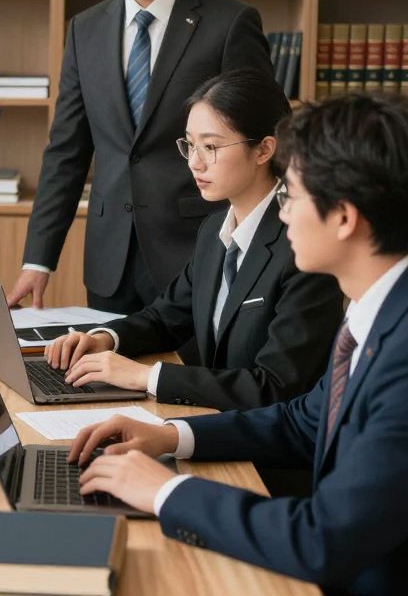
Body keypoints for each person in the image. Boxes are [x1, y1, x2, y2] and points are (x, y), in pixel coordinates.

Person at [69, 94, 408, 595]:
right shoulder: (373, 311)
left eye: (291, 195)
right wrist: (172, 437)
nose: (283, 213)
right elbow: (301, 420)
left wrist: (167, 489)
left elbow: (321, 540)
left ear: (344, 217)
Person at [8, 0, 273, 313]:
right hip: (110, 261)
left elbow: (260, 141)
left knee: (183, 382)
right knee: (106, 378)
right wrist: (39, 259)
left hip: (200, 251)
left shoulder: (229, 24)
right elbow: (66, 152)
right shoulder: (85, 30)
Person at [43, 69, 344, 411]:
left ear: (264, 150)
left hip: (265, 452)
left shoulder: (304, 248)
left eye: (211, 147)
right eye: (190, 145)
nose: (195, 163)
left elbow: (275, 387)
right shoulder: (213, 231)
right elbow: (165, 317)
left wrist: (147, 377)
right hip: (213, 419)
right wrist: (104, 338)